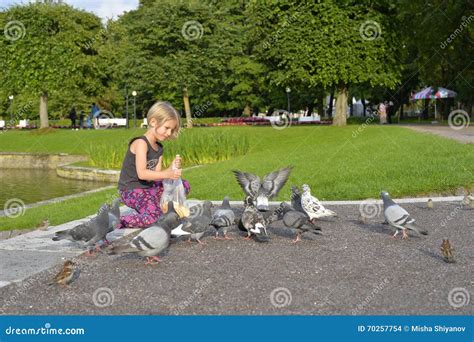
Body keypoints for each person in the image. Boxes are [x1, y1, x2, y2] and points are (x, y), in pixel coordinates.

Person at [117, 101, 191, 228]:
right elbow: (142, 174)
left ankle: (160, 207)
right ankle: (119, 220)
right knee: (154, 218)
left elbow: (156, 175)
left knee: (184, 185)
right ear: (153, 122)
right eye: (167, 128)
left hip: (148, 188)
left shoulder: (159, 148)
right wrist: (167, 174)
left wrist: (171, 169)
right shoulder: (141, 143)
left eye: (171, 130)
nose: (169, 133)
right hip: (132, 190)